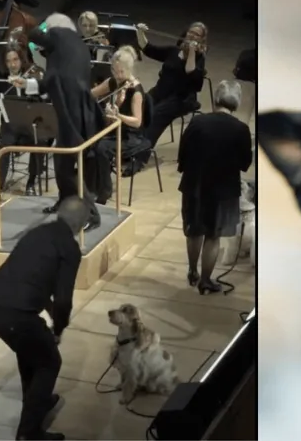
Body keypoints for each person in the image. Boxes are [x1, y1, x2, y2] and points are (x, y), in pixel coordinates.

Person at [0, 196, 88, 441]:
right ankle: (28, 433)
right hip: (15, 315)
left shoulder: (38, 232)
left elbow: (31, 276)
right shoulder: (68, 249)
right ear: (82, 224)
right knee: (49, 362)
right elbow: (63, 298)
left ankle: (37, 400)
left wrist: (50, 313)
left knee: (30, 350)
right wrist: (59, 328)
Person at [22, 13, 104, 231]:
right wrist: (26, 84)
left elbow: (36, 36)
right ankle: (65, 201)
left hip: (71, 114)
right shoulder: (71, 48)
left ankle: (92, 214)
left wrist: (27, 27)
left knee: (66, 167)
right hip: (77, 111)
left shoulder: (60, 35)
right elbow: (52, 81)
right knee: (62, 163)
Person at [177, 80, 253, 294]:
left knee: (194, 232)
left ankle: (192, 270)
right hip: (223, 192)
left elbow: (182, 154)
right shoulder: (241, 129)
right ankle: (205, 280)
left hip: (194, 185)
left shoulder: (197, 123)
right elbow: (244, 163)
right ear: (236, 104)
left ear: (216, 99)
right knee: (213, 236)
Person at [0, 44, 49, 201]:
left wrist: (39, 92)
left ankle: (31, 182)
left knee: (39, 142)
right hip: (11, 127)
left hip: (32, 126)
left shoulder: (34, 74)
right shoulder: (1, 76)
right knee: (4, 146)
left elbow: (47, 96)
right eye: (8, 61)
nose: (12, 64)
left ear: (21, 59)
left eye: (15, 60)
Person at [134, 21, 207, 176]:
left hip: (182, 99)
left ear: (201, 39)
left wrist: (192, 52)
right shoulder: (173, 51)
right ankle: (131, 147)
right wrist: (140, 32)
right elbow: (147, 49)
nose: (192, 35)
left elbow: (190, 72)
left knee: (156, 117)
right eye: (190, 32)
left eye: (196, 34)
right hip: (161, 91)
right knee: (140, 106)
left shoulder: (199, 57)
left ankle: (140, 158)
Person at [89, 45, 151, 203]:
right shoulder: (113, 82)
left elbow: (137, 122)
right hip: (115, 130)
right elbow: (90, 95)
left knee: (102, 148)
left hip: (131, 135)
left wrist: (119, 116)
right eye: (114, 71)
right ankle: (92, 184)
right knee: (89, 139)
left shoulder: (135, 91)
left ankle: (105, 191)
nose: (117, 75)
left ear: (129, 70)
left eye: (121, 72)